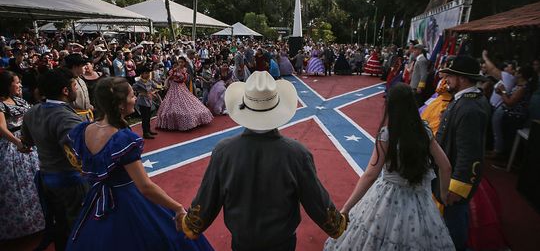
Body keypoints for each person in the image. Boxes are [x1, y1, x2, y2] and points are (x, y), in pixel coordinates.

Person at [181, 71, 348, 251]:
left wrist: (190, 225)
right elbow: (317, 201)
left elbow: (207, 200)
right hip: (282, 244)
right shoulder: (297, 154)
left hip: (242, 244)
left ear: (243, 106)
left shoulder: (224, 152)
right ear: (278, 108)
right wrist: (337, 224)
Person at [64, 77, 213, 251]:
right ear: (120, 104)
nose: (135, 99)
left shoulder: (84, 130)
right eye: (132, 95)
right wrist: (178, 207)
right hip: (128, 202)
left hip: (97, 200)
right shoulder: (122, 139)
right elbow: (145, 186)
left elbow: (85, 169)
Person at [324, 82, 454, 250]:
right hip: (419, 199)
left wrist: (347, 208)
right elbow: (446, 166)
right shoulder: (425, 132)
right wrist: (443, 194)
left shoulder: (387, 135)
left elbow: (370, 174)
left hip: (387, 197)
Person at [21, 68, 88, 251]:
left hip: (47, 178)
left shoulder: (32, 111)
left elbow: (25, 143)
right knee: (80, 225)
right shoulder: (66, 117)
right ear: (66, 90)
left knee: (60, 224)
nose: (77, 89)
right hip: (70, 181)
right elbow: (79, 150)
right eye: (74, 85)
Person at [434, 55, 491, 250]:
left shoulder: (469, 108)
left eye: (450, 75)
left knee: (455, 223)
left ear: (463, 79)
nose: (446, 79)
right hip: (449, 174)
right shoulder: (467, 100)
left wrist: (456, 189)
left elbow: (470, 154)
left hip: (454, 183)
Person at [0, 70, 46, 240]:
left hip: (28, 142)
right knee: (17, 185)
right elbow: (2, 128)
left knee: (36, 182)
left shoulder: (19, 100)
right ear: (6, 85)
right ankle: (24, 225)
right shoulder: (1, 104)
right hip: (11, 148)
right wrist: (18, 142)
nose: (19, 85)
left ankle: (41, 219)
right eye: (16, 82)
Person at [156, 57, 213, 130]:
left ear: (184, 63)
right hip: (174, 87)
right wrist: (166, 83)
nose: (180, 64)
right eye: (179, 62)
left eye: (182, 62)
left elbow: (183, 79)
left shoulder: (185, 70)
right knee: (172, 103)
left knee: (186, 101)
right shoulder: (174, 70)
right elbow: (169, 78)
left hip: (181, 87)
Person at [64, 54, 94, 122]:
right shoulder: (67, 82)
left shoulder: (81, 80)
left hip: (87, 117)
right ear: (75, 67)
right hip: (74, 118)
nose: (85, 67)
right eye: (83, 65)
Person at [133, 67, 159, 139]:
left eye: (148, 73)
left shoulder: (149, 81)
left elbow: (156, 86)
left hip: (149, 101)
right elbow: (133, 88)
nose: (148, 75)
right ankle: (145, 133)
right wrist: (138, 92)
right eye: (146, 73)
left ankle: (148, 130)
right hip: (142, 102)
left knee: (148, 117)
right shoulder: (138, 82)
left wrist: (163, 86)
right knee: (144, 118)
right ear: (142, 74)